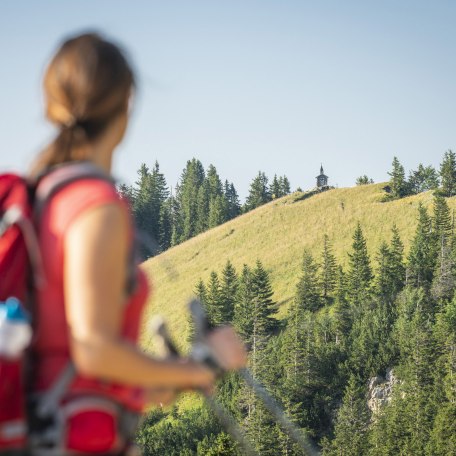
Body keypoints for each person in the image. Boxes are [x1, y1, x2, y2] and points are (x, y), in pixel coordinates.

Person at [27, 32, 246, 455]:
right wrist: (200, 364)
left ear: (52, 104)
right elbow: (93, 351)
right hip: (74, 437)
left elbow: (73, 360)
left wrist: (172, 377)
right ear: (126, 105)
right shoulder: (96, 208)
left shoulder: (42, 196)